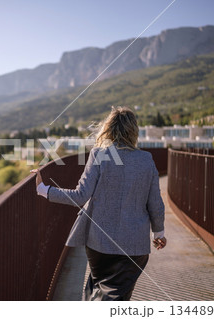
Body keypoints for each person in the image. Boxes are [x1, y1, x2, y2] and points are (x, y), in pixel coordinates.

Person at [31, 106, 166, 301]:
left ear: (108, 129)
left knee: (98, 289)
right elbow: (156, 203)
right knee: (116, 297)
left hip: (99, 244)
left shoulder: (100, 155)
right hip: (135, 246)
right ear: (134, 131)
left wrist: (43, 190)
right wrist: (159, 233)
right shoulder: (146, 159)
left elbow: (79, 196)